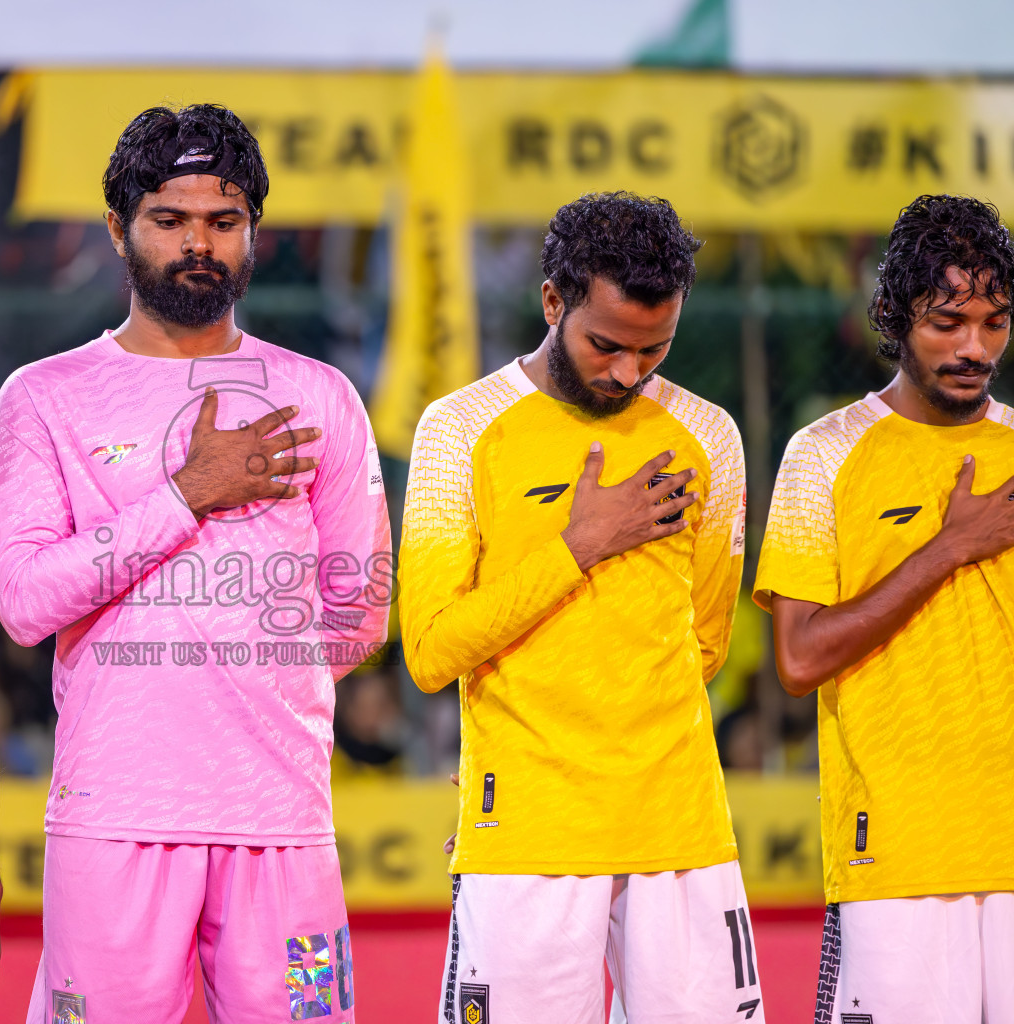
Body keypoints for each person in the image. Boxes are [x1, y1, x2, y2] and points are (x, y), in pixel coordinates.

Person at [0, 103, 390, 1024]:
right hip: (113, 818)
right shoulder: (43, 398)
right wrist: (185, 496)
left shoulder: (320, 397)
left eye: (223, 220)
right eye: (169, 220)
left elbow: (360, 615)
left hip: (284, 827)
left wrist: (248, 684)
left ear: (254, 234)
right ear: (120, 229)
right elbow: (22, 602)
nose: (197, 242)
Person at [401, 192, 761, 1024]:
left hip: (681, 826)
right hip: (527, 831)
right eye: (606, 345)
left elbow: (700, 645)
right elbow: (429, 648)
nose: (628, 372)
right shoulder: (459, 430)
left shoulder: (712, 436)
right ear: (553, 301)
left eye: (654, 348)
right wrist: (579, 545)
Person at [755, 194, 1014, 1023]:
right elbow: (797, 660)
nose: (975, 347)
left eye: (996, 321)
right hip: (896, 859)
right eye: (947, 322)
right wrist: (948, 547)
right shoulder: (823, 455)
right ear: (895, 315)